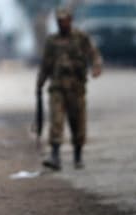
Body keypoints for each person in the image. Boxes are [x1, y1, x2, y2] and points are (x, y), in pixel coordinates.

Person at [36, 7, 103, 170]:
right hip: (57, 87)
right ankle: (55, 156)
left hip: (76, 88)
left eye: (64, 20)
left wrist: (96, 67)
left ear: (70, 20)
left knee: (78, 122)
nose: (62, 23)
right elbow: (45, 64)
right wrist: (39, 84)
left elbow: (94, 54)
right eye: (59, 21)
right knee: (56, 120)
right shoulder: (52, 41)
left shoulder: (80, 37)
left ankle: (78, 156)